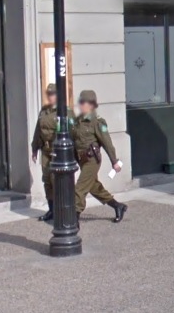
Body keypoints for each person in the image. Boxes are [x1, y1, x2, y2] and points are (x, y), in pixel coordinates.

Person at [72, 90, 127, 223]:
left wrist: (114, 161)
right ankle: (117, 206)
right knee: (93, 186)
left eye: (83, 102)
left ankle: (74, 219)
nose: (80, 105)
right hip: (81, 159)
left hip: (92, 160)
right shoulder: (78, 121)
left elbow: (107, 143)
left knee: (79, 188)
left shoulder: (97, 122)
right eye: (80, 102)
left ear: (91, 104)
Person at [33, 83, 70, 222]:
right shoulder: (44, 111)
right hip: (45, 150)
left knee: (56, 181)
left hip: (57, 150)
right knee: (47, 180)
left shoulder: (63, 111)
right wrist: (34, 148)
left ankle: (62, 211)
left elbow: (69, 132)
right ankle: (52, 210)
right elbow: (38, 130)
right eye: (49, 94)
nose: (50, 97)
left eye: (53, 94)